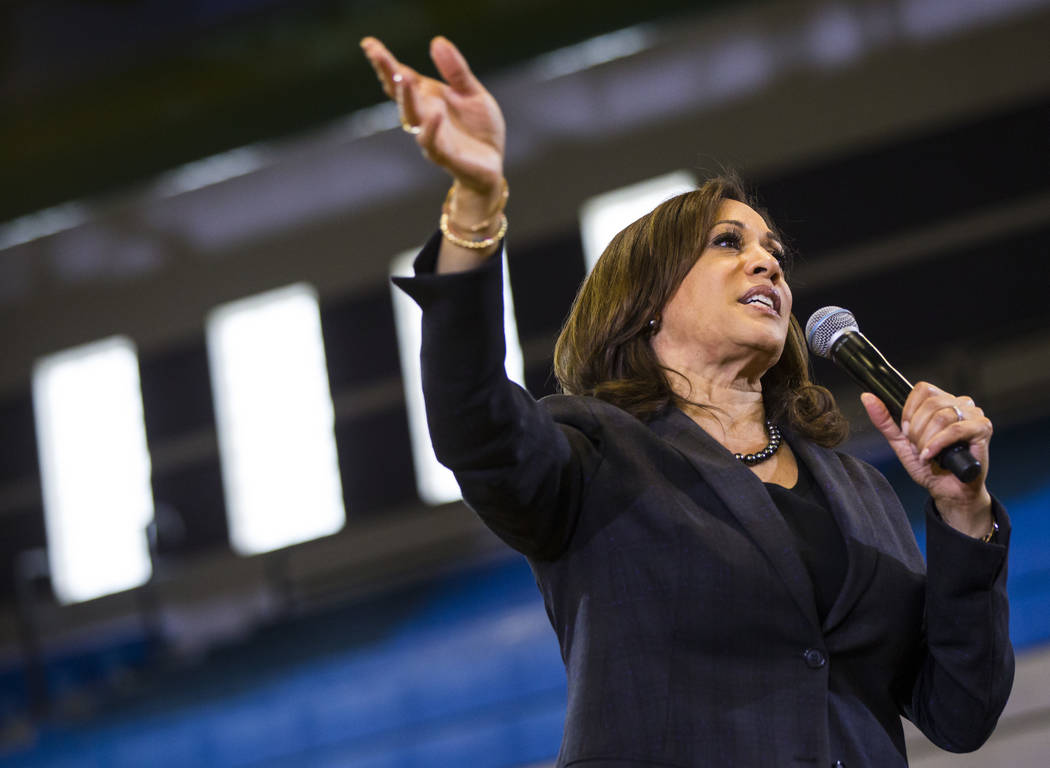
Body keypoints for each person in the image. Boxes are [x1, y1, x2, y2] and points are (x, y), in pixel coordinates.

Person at [361, 35, 1013, 768]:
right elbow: (473, 421)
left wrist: (964, 514)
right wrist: (476, 212)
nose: (766, 259)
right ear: (646, 303)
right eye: (727, 243)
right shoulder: (593, 457)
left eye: (772, 251)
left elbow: (961, 712)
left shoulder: (859, 488)